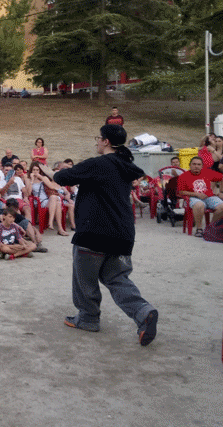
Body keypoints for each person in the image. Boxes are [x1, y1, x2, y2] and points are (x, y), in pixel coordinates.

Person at [49, 124, 158, 346]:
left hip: (94, 232)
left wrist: (43, 171)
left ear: (106, 141)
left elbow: (62, 177)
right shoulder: (126, 165)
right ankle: (143, 311)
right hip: (123, 234)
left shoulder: (98, 163)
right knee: (117, 278)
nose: (96, 142)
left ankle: (88, 318)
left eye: (98, 138)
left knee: (85, 278)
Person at [176, 156, 223, 236]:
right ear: (190, 165)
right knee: (199, 205)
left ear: (202, 166)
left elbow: (221, 177)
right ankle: (199, 229)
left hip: (209, 197)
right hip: (193, 198)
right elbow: (180, 191)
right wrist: (196, 194)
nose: (196, 166)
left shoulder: (207, 172)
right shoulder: (183, 176)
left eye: (198, 164)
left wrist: (221, 191)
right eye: (194, 164)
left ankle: (210, 228)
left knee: (222, 206)